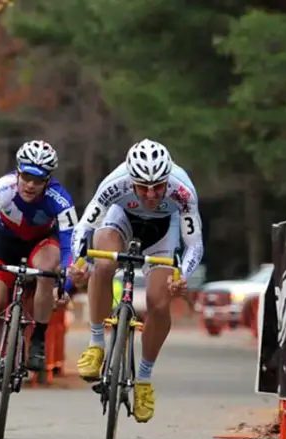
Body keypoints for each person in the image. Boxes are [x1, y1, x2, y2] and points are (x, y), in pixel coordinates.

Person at [69, 139, 203, 423]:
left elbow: (194, 245)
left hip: (162, 234)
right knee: (103, 262)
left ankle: (143, 379)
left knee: (159, 301)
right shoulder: (115, 183)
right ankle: (96, 345)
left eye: (158, 186)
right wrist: (79, 261)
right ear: (131, 178)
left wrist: (183, 276)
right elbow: (86, 225)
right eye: (143, 187)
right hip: (122, 221)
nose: (152, 194)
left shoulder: (182, 191)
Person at [0, 140, 77, 409]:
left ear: (48, 180)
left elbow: (70, 243)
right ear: (17, 172)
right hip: (4, 243)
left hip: (41, 244)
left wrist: (66, 284)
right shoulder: (3, 188)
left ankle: (38, 336)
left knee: (47, 268)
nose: (29, 185)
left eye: (37, 180)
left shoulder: (59, 199)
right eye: (25, 177)